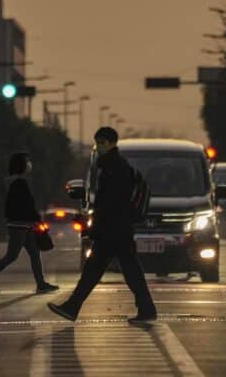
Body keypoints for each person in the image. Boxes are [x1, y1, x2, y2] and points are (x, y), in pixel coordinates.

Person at [48, 127, 156, 324]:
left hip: (114, 230)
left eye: (102, 143)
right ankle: (146, 309)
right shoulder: (108, 166)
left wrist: (95, 227)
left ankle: (72, 307)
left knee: (98, 270)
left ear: (113, 143)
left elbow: (110, 204)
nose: (99, 147)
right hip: (116, 229)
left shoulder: (116, 168)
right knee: (125, 271)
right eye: (97, 143)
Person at [0, 152, 59, 294]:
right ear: (21, 165)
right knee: (12, 255)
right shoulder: (18, 183)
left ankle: (41, 284)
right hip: (19, 225)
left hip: (24, 224)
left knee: (34, 253)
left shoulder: (16, 182)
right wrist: (37, 219)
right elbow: (26, 205)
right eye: (27, 161)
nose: (29, 164)